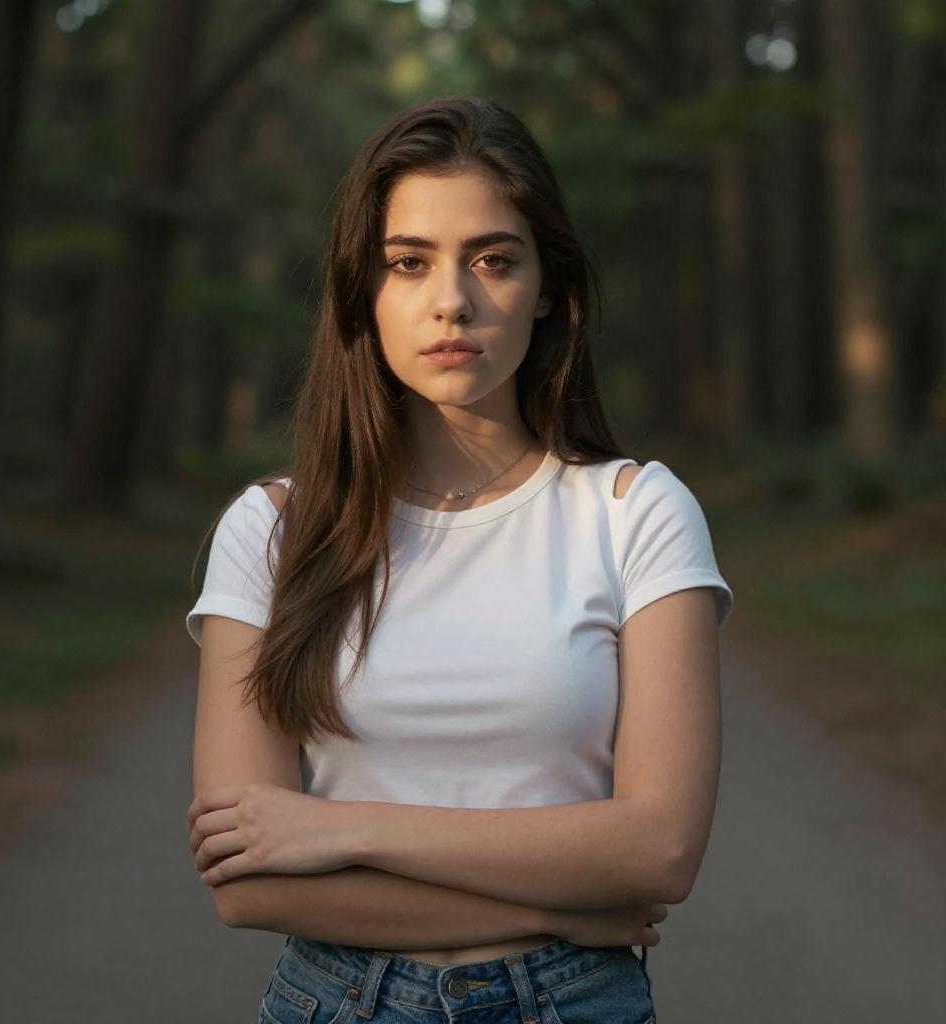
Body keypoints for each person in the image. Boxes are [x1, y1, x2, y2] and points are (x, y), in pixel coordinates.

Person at [184, 96, 733, 1024]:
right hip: (335, 1002)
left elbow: (659, 852)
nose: (453, 301)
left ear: (551, 287)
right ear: (366, 290)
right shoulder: (270, 532)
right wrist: (566, 902)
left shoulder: (637, 515)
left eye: (494, 259)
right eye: (409, 263)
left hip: (576, 1004)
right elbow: (249, 886)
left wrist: (338, 828)